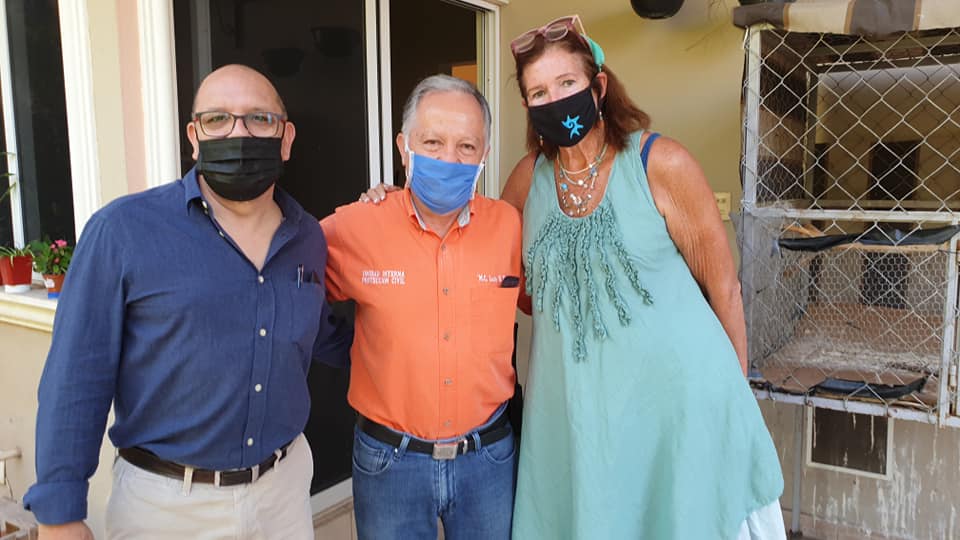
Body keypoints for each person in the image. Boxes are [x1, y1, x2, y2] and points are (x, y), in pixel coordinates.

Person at [23, 64, 352, 540]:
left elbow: (319, 333)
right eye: (218, 119)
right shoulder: (122, 231)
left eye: (260, 119)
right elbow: (76, 374)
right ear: (194, 138)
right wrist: (60, 514)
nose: (239, 133)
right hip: (167, 505)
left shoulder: (306, 237)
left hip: (282, 493)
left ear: (286, 139)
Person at [500, 15, 786, 540]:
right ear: (527, 107)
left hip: (675, 407)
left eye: (567, 83)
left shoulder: (661, 163)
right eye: (539, 92)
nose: (555, 100)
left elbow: (723, 288)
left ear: (598, 86)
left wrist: (735, 401)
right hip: (576, 417)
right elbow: (501, 275)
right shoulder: (526, 181)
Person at [321, 74, 521, 540]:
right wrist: (344, 348)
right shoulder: (357, 226)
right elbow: (286, 287)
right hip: (391, 461)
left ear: (485, 154)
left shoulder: (510, 227)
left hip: (487, 459)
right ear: (403, 147)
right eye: (432, 142)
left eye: (466, 146)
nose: (449, 158)